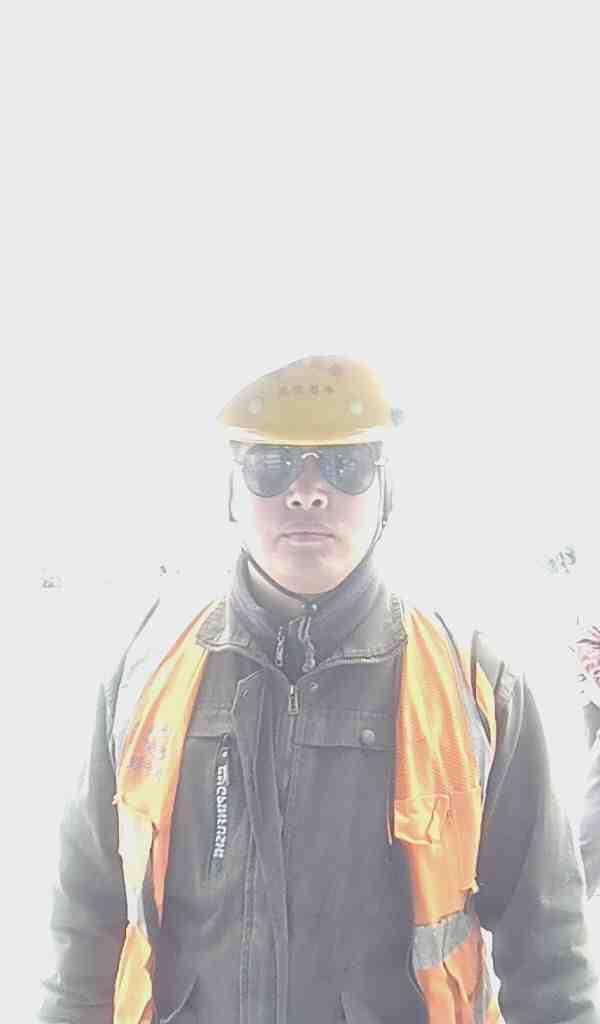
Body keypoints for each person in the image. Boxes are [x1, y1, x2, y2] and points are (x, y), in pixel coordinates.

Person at [38, 355, 600, 1023]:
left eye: (345, 465)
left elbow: (549, 952)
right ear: (230, 493)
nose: (307, 494)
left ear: (388, 491)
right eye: (271, 466)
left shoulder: (475, 682)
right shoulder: (144, 669)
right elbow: (84, 925)